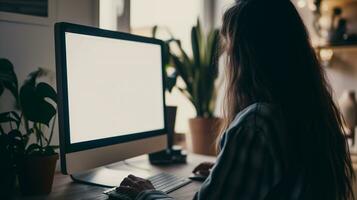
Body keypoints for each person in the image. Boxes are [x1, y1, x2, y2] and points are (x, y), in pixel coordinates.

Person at [118, 0, 355, 199]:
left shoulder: (256, 122)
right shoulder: (308, 112)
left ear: (248, 57)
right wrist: (229, 172)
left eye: (230, 49)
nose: (227, 59)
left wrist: (146, 193)